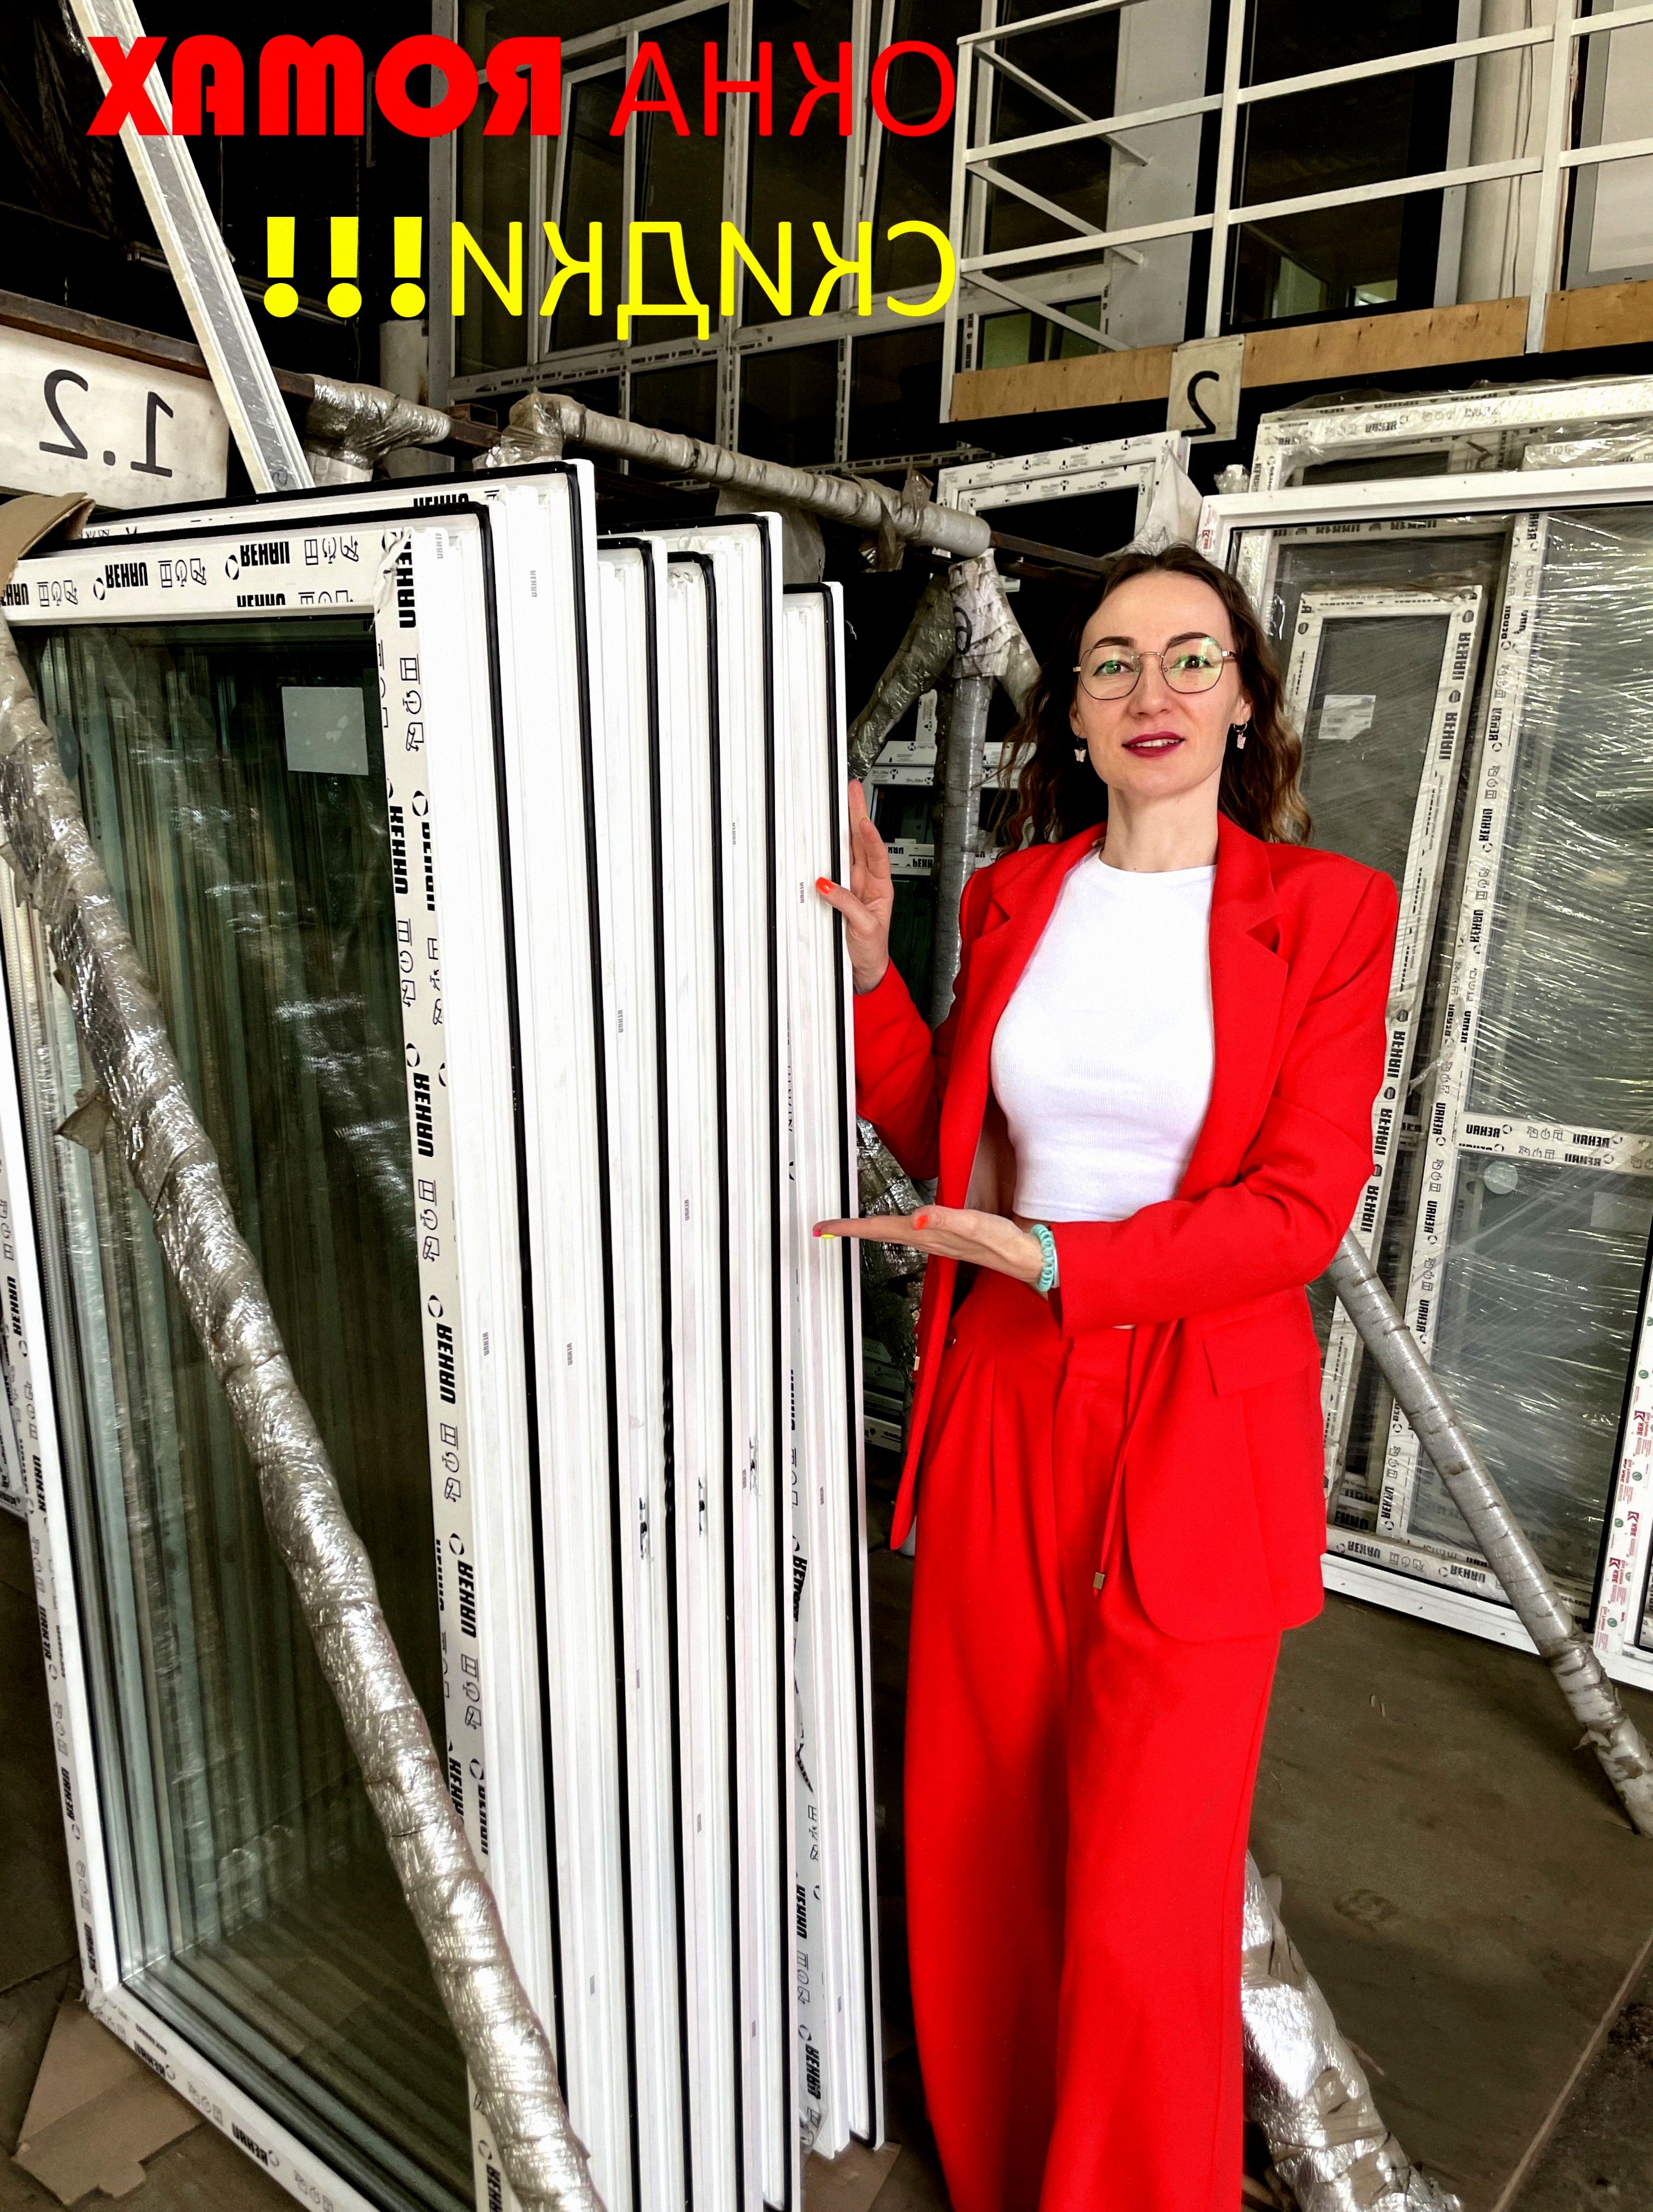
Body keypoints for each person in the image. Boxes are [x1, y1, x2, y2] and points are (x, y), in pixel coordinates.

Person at [812, 542, 1398, 2212]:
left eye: (1191, 658)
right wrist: (872, 974)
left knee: (1147, 1893)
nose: (1153, 691)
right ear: (1069, 713)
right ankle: (1006, 2175)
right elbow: (952, 1128)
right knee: (984, 1832)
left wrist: (1068, 1260)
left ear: (1246, 700)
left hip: (1194, 1409)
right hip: (1003, 1386)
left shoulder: (1325, 914)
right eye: (1114, 663)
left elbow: (1296, 1210)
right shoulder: (1015, 898)